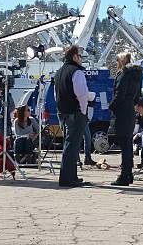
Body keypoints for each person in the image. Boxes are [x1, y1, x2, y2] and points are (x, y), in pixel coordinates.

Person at [55, 45, 90, 187]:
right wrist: (83, 111)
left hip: (63, 113)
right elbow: (82, 94)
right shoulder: (77, 72)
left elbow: (56, 94)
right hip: (75, 113)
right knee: (72, 146)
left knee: (69, 145)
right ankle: (67, 178)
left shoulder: (58, 72)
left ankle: (71, 176)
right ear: (75, 57)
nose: (81, 59)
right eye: (80, 56)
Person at [108, 52, 143, 186]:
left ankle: (124, 176)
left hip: (122, 111)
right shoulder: (136, 76)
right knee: (127, 143)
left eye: (117, 60)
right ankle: (128, 174)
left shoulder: (123, 74)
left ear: (121, 61)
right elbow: (136, 96)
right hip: (130, 110)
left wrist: (112, 106)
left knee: (124, 144)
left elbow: (119, 93)